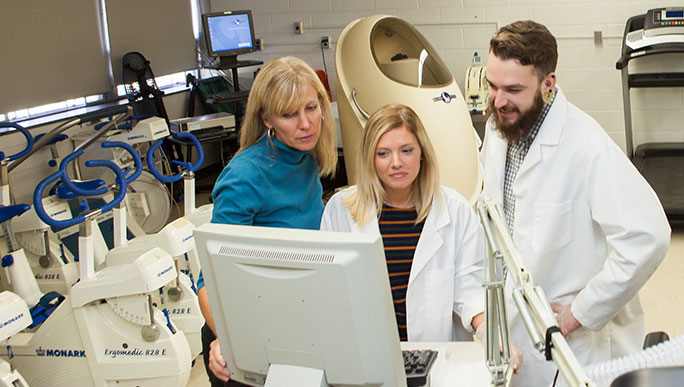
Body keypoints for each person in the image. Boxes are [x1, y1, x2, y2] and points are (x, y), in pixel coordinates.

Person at [479, 20, 671, 386]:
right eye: (492, 85)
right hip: (519, 327)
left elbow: (649, 237)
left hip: (579, 344)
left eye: (513, 89)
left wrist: (578, 313)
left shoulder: (587, 148)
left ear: (548, 83)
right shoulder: (498, 129)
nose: (498, 100)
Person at [320, 104, 518, 362]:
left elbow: (469, 287)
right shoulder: (341, 210)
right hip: (367, 357)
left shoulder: (455, 210)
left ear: (422, 153)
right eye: (383, 153)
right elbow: (330, 290)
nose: (396, 163)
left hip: (436, 357)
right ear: (370, 157)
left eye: (406, 150)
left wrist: (491, 334)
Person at [197, 56, 338, 386]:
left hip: (291, 320)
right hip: (246, 330)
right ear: (267, 119)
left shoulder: (307, 156)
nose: (306, 123)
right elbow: (208, 283)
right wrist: (228, 341)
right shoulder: (244, 178)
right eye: (289, 115)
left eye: (311, 108)